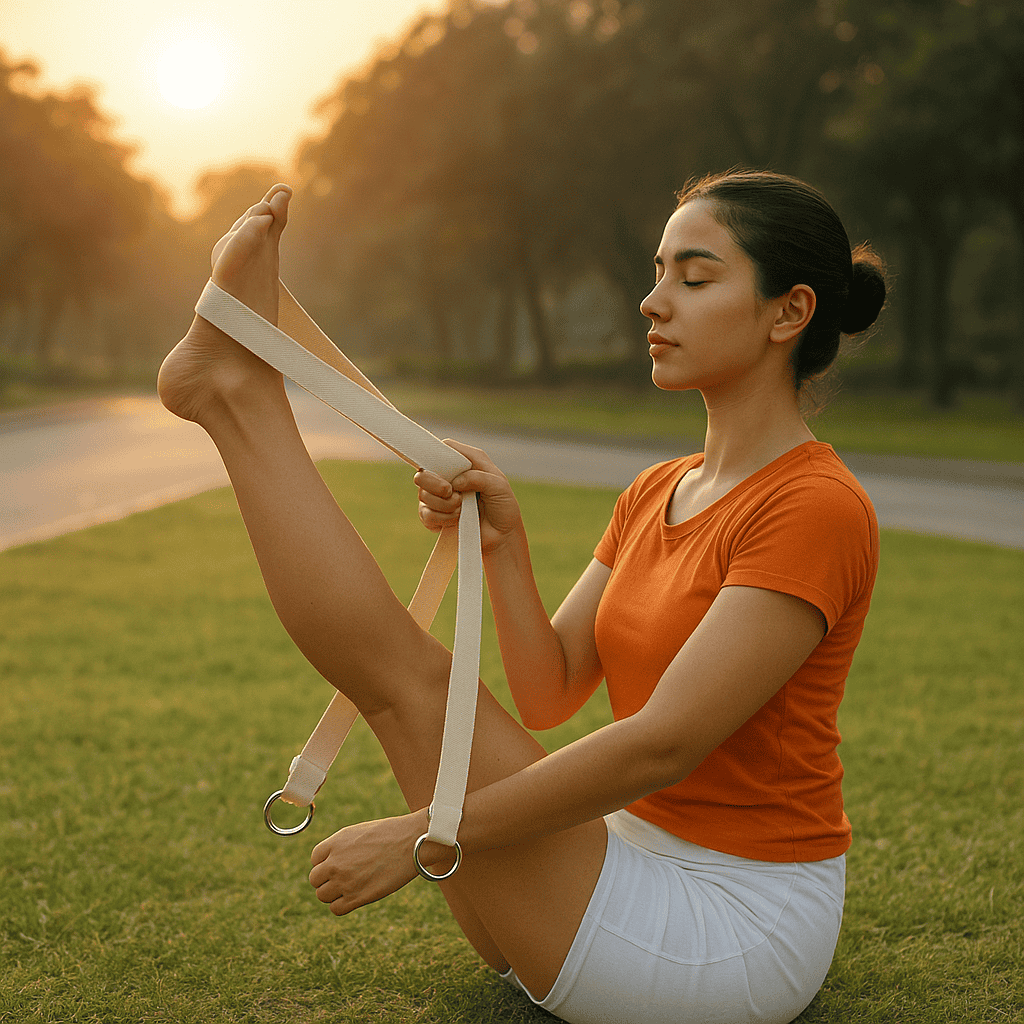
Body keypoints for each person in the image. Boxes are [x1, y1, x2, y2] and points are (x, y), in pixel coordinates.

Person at [158, 168, 885, 1024]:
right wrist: (505, 544)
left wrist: (421, 831)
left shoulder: (815, 507)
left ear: (788, 313)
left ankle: (240, 396)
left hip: (733, 931)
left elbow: (661, 746)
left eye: (694, 278)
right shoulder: (659, 489)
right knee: (404, 691)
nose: (654, 302)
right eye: (657, 273)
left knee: (410, 679)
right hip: (620, 865)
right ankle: (238, 395)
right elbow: (551, 689)